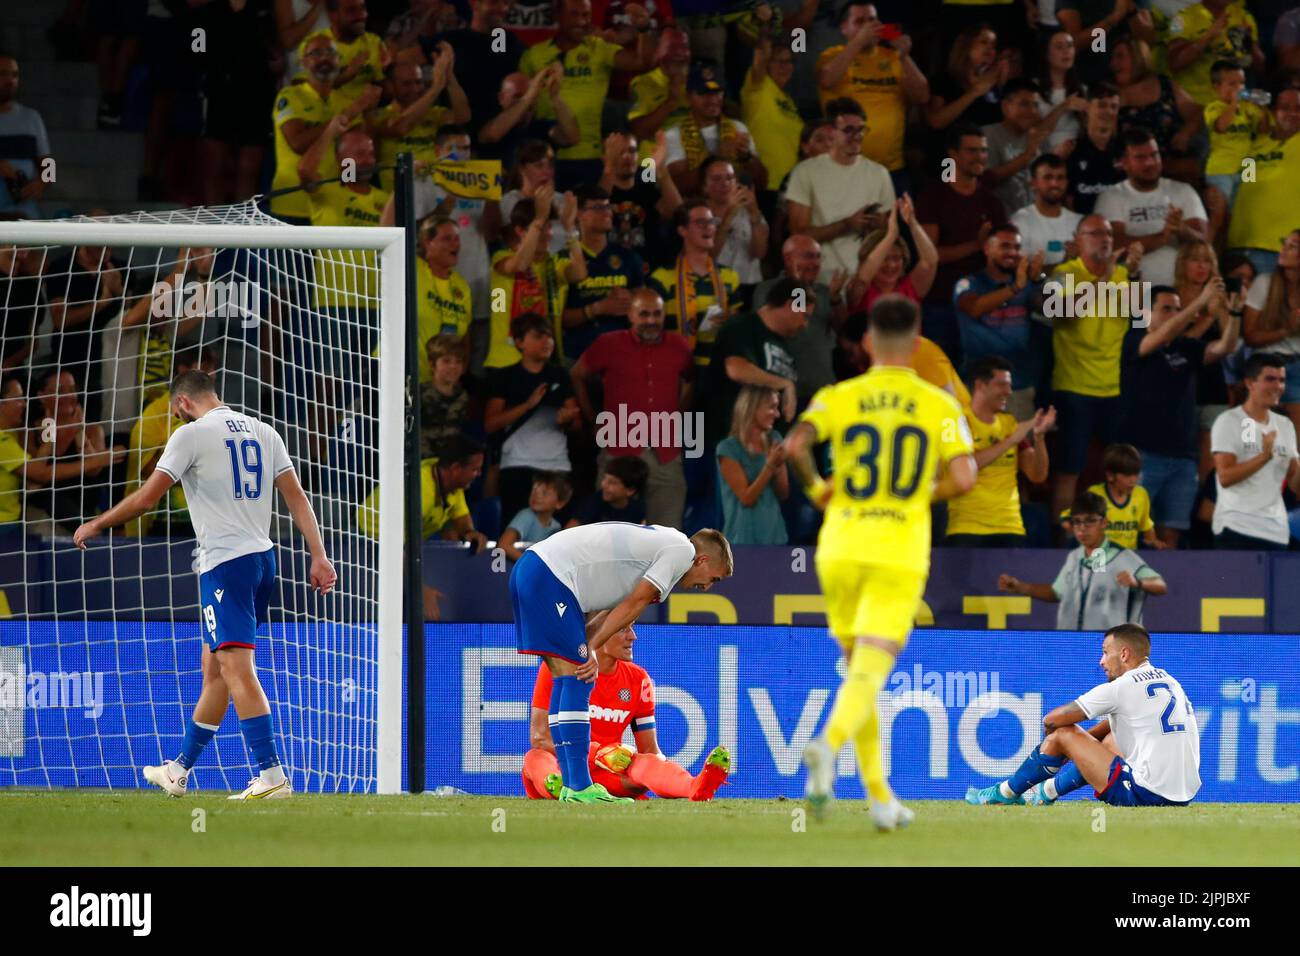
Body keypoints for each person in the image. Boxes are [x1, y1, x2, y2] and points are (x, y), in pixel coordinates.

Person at [72, 369, 338, 800]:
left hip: (225, 565)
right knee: (214, 670)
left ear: (181, 404)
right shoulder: (264, 431)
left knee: (234, 667)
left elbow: (146, 499)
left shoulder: (191, 434)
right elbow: (296, 496)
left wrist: (98, 523)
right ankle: (178, 770)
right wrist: (319, 554)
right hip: (261, 560)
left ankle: (272, 777)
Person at [787, 296, 977, 831]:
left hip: (840, 544)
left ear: (867, 342)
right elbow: (964, 479)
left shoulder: (838, 395)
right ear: (917, 345)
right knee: (871, 669)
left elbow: (794, 446)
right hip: (897, 548)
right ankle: (827, 745)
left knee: (857, 674)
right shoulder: (939, 403)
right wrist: (917, 495)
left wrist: (819, 490)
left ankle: (880, 799)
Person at [508, 522, 733, 802]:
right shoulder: (681, 551)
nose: (708, 588)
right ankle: (579, 786)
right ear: (702, 559)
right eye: (714, 579)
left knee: (567, 674)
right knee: (580, 673)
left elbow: (616, 609)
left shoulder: (663, 548)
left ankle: (572, 785)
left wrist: (589, 642)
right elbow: (632, 605)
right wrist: (591, 647)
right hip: (551, 575)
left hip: (535, 570)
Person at [966, 624, 1200, 808]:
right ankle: (1046, 792)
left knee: (1062, 733)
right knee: (1110, 739)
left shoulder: (1122, 686)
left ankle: (1006, 793)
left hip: (1145, 794)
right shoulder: (1170, 681)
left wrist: (1061, 745)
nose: (1102, 662)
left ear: (1125, 654)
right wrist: (1083, 745)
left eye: (1105, 653)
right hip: (1184, 794)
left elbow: (1052, 720)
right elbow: (1118, 723)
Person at [521, 624, 730, 801]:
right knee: (535, 757)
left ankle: (694, 786)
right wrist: (598, 753)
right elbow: (540, 738)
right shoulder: (558, 667)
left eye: (632, 627)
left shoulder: (639, 679)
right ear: (600, 633)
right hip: (565, 768)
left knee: (644, 762)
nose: (633, 636)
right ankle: (556, 787)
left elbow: (649, 749)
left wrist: (659, 769)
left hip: (610, 777)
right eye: (623, 629)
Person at [1120, 282, 1240, 547]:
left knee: (1171, 534)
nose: (1174, 314)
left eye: (1177, 309)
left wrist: (1234, 315)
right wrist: (1199, 302)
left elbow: (1225, 347)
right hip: (1143, 455)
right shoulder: (1133, 339)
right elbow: (1160, 337)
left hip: (1184, 458)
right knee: (1131, 532)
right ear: (1143, 313)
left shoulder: (1186, 347)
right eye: (1166, 309)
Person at [1045, 213, 1145, 522]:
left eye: (1108, 234)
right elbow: (1059, 315)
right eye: (1095, 233)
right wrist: (1103, 280)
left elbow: (1143, 323)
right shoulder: (1062, 274)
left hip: (1114, 389)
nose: (1104, 238)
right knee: (1069, 470)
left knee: (1120, 473)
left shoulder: (1125, 278)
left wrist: (1135, 277)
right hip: (1074, 388)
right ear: (1078, 241)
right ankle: (1061, 541)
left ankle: (1116, 536)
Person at [571, 288, 694, 529]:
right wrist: (593, 419)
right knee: (608, 534)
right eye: (644, 314)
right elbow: (577, 373)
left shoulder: (679, 346)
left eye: (657, 314)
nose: (651, 321)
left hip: (665, 452)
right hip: (618, 449)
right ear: (631, 315)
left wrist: (677, 415)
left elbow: (690, 380)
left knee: (667, 535)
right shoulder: (608, 343)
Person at [519, 0, 655, 188]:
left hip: (589, 156)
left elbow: (642, 62)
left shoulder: (598, 48)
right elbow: (522, 105)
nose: (582, 21)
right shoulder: (535, 55)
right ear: (558, 16)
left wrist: (644, 29)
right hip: (546, 158)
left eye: (586, 15)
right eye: (574, 14)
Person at [998, 491, 1168, 629]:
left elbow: (1160, 585)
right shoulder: (1075, 557)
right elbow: (1057, 593)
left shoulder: (1123, 557)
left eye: (1090, 521)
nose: (1082, 529)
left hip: (1113, 651)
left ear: (1104, 523)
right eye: (1077, 522)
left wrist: (1137, 583)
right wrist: (1020, 587)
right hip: (1073, 647)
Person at [915, 125, 1007, 365]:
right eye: (972, 150)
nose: (980, 157)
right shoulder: (933, 197)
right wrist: (976, 245)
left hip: (982, 304)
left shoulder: (991, 202)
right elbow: (929, 254)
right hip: (940, 303)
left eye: (984, 151)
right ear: (953, 154)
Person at [816, 3, 928, 193]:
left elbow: (922, 96)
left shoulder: (893, 57)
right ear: (844, 28)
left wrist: (904, 57)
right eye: (860, 22)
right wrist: (858, 42)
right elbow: (827, 79)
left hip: (891, 169)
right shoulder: (832, 55)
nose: (868, 27)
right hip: (846, 166)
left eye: (872, 21)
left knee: (896, 222)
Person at [269, 33, 378, 223]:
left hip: (332, 207)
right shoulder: (290, 97)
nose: (324, 58)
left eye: (330, 52)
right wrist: (346, 116)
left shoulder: (346, 102)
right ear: (303, 63)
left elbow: (353, 157)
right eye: (316, 53)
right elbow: (297, 143)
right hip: (293, 205)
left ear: (339, 59)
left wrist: (348, 187)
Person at [945, 357, 1054, 547]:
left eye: (1009, 386)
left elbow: (1037, 475)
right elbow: (965, 466)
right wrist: (1010, 440)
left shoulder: (1009, 424)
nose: (1008, 392)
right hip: (967, 527)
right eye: (1002, 385)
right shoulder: (959, 421)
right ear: (980, 385)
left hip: (1010, 527)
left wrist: (1039, 438)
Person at [786, 97, 896, 285]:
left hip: (865, 280)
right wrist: (846, 225)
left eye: (861, 129)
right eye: (849, 130)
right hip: (820, 280)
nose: (857, 136)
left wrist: (878, 225)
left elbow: (890, 231)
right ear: (831, 132)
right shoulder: (805, 172)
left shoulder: (880, 174)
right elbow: (799, 236)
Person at [484, 312, 580, 523]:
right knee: (515, 532)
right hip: (516, 466)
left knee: (556, 537)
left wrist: (568, 419)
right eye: (538, 336)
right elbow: (491, 424)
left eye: (549, 336)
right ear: (519, 342)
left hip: (557, 466)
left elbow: (576, 422)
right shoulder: (504, 377)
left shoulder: (561, 375)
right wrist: (527, 406)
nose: (547, 342)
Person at [484, 189, 586, 369]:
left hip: (547, 362)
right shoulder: (501, 258)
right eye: (541, 228)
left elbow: (579, 273)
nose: (548, 233)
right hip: (506, 363)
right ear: (520, 231)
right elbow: (520, 265)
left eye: (549, 227)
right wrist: (538, 220)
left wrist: (570, 228)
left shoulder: (553, 264)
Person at [1094, 126, 1207, 287]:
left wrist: (1181, 229)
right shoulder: (1111, 197)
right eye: (1140, 157)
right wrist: (1161, 238)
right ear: (1124, 163)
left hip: (1181, 292)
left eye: (1154, 155)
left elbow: (1204, 244)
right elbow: (1113, 246)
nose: (1150, 162)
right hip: (1132, 293)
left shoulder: (1183, 191)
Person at [952, 223, 1046, 418]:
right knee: (975, 448)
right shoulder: (969, 283)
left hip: (1017, 387)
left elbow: (1057, 310)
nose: (1012, 252)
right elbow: (974, 308)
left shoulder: (1026, 284)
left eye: (1017, 248)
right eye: (1005, 246)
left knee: (1022, 448)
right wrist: (1015, 289)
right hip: (978, 387)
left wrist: (1039, 280)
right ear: (987, 249)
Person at [1210, 352, 1300, 550]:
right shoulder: (1230, 421)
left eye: (1282, 380)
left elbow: (1295, 484)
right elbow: (1225, 477)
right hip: (1237, 528)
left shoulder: (1284, 425)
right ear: (1250, 383)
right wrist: (1264, 457)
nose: (1278, 386)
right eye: (1270, 379)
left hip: (1276, 531)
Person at [706, 278, 811, 444]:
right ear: (792, 304)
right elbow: (736, 369)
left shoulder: (787, 348)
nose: (805, 324)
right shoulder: (742, 326)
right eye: (805, 316)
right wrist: (784, 384)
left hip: (765, 448)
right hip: (728, 442)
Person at [754, 235, 848, 410]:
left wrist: (835, 299)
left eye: (818, 256)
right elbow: (795, 323)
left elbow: (844, 329)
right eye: (808, 256)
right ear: (788, 258)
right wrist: (798, 286)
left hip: (822, 389)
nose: (815, 262)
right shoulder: (767, 289)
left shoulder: (825, 291)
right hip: (785, 393)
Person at [647, 199, 741, 370]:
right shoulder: (662, 278)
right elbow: (650, 328)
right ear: (682, 230)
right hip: (674, 367)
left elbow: (736, 327)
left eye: (711, 222)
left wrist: (728, 322)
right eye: (700, 222)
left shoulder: (729, 276)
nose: (708, 227)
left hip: (718, 367)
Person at [357, 432, 488, 548]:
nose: (479, 474)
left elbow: (461, 518)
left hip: (398, 543)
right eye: (475, 469)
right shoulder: (418, 486)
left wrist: (470, 533)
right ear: (455, 469)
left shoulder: (453, 486)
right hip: (365, 540)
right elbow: (399, 547)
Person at [662, 60, 765, 198]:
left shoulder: (738, 128)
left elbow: (761, 183)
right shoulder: (673, 135)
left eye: (717, 92)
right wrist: (718, 155)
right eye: (704, 93)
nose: (712, 100)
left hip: (735, 209)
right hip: (697, 213)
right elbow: (677, 186)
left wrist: (746, 158)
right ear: (688, 96)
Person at [1228, 88, 1300, 277]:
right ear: (1273, 111)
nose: (1292, 113)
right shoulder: (1255, 145)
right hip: (1239, 245)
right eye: (1285, 107)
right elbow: (1248, 184)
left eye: (1298, 108)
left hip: (1281, 250)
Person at [1203, 60, 1272, 237]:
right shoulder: (1213, 108)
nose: (1238, 88)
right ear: (1217, 87)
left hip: (1248, 165)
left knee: (1240, 213)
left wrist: (1262, 109)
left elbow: (1264, 131)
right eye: (1232, 84)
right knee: (1219, 213)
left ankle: (1234, 250)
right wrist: (1234, 103)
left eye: (1241, 83)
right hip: (1221, 168)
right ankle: (1206, 248)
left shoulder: (1249, 108)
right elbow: (1221, 126)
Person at [1242, 229, 1300, 437]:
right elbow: (1250, 336)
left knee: (1295, 442)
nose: (1283, 249)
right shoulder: (1265, 283)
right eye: (1285, 243)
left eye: (1292, 246)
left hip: (1297, 366)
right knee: (1256, 437)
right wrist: (1286, 330)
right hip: (1266, 363)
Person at [597, 130, 683, 269]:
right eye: (620, 152)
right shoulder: (598, 184)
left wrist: (662, 170)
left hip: (649, 265)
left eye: (632, 151)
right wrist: (609, 167)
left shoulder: (645, 179)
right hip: (610, 268)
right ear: (605, 158)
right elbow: (597, 208)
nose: (627, 157)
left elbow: (679, 213)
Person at [372, 54, 470, 172]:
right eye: (407, 84)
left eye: (418, 82)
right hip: (399, 188)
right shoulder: (379, 116)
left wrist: (449, 76)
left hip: (434, 186)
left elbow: (463, 117)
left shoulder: (434, 113)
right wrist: (435, 89)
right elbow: (400, 128)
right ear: (390, 86)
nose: (415, 89)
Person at [717, 386, 789, 545]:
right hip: (741, 541)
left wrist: (779, 465)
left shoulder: (775, 439)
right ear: (752, 407)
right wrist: (769, 466)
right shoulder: (728, 448)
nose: (777, 414)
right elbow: (746, 498)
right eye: (772, 407)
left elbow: (783, 493)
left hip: (775, 538)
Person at [846, 195, 937, 313]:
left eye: (897, 258)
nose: (891, 265)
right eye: (884, 258)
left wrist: (912, 222)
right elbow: (862, 279)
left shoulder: (909, 288)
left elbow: (930, 262)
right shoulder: (861, 292)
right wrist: (890, 236)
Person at [1166, 0, 1265, 108]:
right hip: (1193, 103)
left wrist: (1249, 44)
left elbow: (1259, 67)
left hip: (1231, 103)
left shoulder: (1243, 16)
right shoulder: (1183, 17)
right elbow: (1174, 63)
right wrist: (1207, 38)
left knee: (1264, 100)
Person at [477, 65, 580, 166]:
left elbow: (572, 137)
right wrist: (529, 95)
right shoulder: (488, 122)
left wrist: (555, 97)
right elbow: (492, 135)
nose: (528, 104)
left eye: (533, 96)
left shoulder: (542, 128)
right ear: (501, 98)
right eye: (517, 97)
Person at [698, 156, 767, 286]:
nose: (725, 183)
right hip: (712, 287)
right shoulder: (699, 214)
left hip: (749, 286)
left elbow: (759, 253)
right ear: (704, 187)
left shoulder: (750, 211)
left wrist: (754, 212)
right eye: (717, 179)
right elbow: (707, 257)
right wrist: (729, 215)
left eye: (730, 178)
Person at [0, 54, 51, 219]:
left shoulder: (32, 118)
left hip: (22, 210)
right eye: (3, 74)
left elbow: (48, 163)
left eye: (14, 75)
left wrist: (43, 182)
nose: (10, 80)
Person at [1010, 154, 1083, 267]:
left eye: (1060, 178)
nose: (1054, 184)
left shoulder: (1080, 222)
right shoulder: (1020, 221)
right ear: (1033, 183)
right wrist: (1065, 264)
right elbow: (1022, 272)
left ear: (1067, 182)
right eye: (1048, 177)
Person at [1065, 82, 1126, 215]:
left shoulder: (1126, 150)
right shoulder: (1071, 150)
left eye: (1114, 107)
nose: (1109, 111)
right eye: (1102, 105)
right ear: (1088, 108)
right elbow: (1067, 200)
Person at [418, 334, 470, 458]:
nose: (453, 366)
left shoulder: (462, 396)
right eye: (446, 361)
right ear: (432, 364)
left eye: (458, 361)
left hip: (450, 466)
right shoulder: (419, 393)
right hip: (423, 463)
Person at [499, 471, 572, 560]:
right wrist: (531, 564)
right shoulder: (526, 515)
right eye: (534, 490)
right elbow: (503, 545)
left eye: (544, 493)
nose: (537, 495)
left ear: (560, 503)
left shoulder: (556, 527)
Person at [564, 455, 649, 527]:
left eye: (612, 482)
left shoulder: (638, 507)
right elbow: (570, 530)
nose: (604, 485)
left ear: (630, 490)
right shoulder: (594, 502)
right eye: (605, 478)